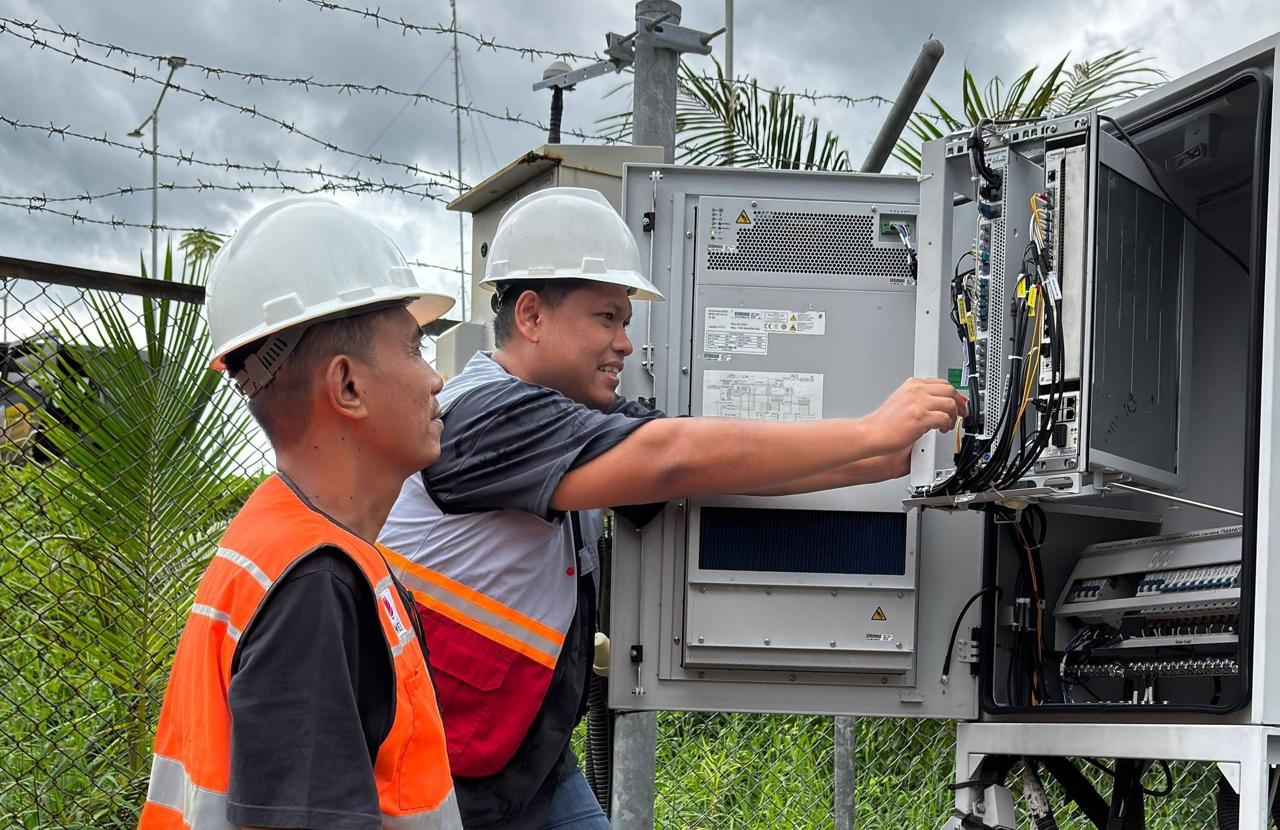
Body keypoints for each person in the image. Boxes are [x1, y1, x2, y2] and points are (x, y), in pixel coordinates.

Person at [378, 187, 965, 829]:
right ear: (531, 315)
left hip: (524, 757)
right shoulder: (483, 416)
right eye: (607, 318)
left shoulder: (574, 419)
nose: (625, 344)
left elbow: (708, 469)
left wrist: (883, 460)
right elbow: (673, 458)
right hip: (443, 767)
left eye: (626, 323)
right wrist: (869, 431)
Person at [139, 198, 463, 830]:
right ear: (347, 386)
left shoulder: (285, 541)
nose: (435, 380)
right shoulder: (313, 585)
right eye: (415, 349)